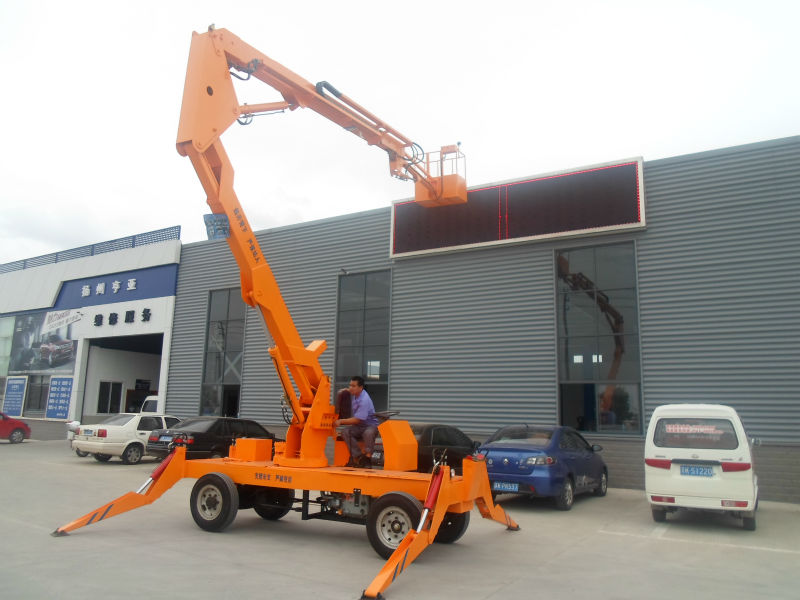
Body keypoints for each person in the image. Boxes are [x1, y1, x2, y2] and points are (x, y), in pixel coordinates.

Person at [334, 376, 378, 468]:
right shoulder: (356, 394)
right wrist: (344, 390)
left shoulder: (364, 400)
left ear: (360, 387)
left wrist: (340, 421)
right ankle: (358, 456)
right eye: (350, 385)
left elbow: (357, 419)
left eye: (353, 386)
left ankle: (367, 459)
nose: (351, 388)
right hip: (359, 426)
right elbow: (349, 390)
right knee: (346, 432)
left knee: (368, 433)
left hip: (370, 425)